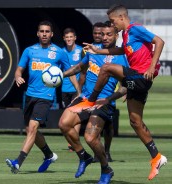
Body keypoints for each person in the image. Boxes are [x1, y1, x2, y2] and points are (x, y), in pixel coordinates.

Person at [80, 4, 168, 180]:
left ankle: (90, 101)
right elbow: (121, 50)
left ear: (121, 18)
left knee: (105, 68)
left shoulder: (135, 29)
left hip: (141, 76)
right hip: (136, 80)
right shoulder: (127, 35)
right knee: (135, 122)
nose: (112, 26)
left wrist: (151, 67)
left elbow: (159, 41)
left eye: (113, 22)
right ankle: (157, 157)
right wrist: (98, 50)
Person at [5, 20, 79, 174]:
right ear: (37, 33)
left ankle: (18, 162)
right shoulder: (29, 50)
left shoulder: (59, 52)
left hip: (46, 96)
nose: (44, 34)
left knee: (32, 128)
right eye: (42, 31)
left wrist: (78, 90)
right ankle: (49, 155)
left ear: (51, 34)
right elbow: (19, 69)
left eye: (47, 32)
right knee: (30, 130)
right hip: (29, 95)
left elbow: (71, 71)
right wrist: (17, 76)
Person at [60, 21, 128, 183]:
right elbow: (78, 68)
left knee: (90, 138)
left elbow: (125, 87)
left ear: (116, 36)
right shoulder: (92, 51)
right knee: (64, 124)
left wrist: (110, 99)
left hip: (102, 102)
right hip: (85, 98)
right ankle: (83, 157)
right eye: (102, 34)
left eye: (109, 34)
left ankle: (106, 168)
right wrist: (60, 75)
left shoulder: (121, 58)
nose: (104, 37)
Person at [85, 22, 115, 162]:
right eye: (99, 34)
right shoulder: (90, 50)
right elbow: (82, 68)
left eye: (105, 34)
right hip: (90, 97)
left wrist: (125, 89)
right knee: (90, 131)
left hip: (107, 99)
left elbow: (125, 77)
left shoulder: (119, 54)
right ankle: (95, 155)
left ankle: (106, 152)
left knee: (108, 127)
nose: (101, 36)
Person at [61, 28, 84, 151]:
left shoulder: (81, 51)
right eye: (67, 37)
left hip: (78, 89)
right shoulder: (61, 52)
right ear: (64, 39)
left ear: (75, 37)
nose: (69, 39)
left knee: (77, 115)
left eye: (71, 37)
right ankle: (72, 140)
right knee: (67, 116)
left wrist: (80, 88)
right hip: (65, 89)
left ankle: (73, 143)